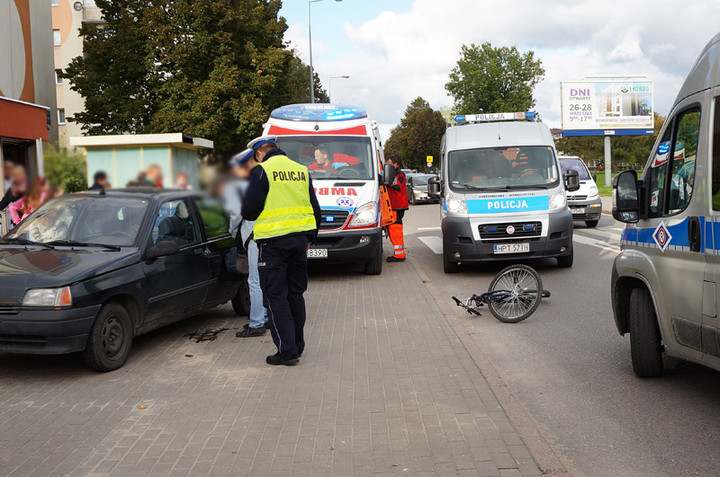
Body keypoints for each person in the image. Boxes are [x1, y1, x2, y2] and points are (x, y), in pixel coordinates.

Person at [242, 136, 321, 366]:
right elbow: (315, 208)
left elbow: (248, 211)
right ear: (277, 148)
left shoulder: (261, 171)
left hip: (273, 244)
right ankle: (298, 344)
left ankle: (287, 351)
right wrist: (309, 238)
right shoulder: (301, 170)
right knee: (295, 294)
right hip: (299, 243)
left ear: (259, 153)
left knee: (276, 297)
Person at [225, 149, 268, 337]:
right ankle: (267, 317)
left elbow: (235, 215)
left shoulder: (242, 184)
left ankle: (257, 322)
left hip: (253, 237)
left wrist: (232, 233)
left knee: (255, 281)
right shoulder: (265, 177)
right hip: (271, 235)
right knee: (267, 279)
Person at [385, 155, 409, 262]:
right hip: (394, 206)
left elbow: (398, 186)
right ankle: (398, 253)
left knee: (395, 230)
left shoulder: (399, 174)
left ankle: (399, 255)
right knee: (393, 229)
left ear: (395, 164)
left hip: (397, 206)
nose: (387, 166)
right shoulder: (395, 173)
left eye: (389, 164)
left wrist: (387, 179)